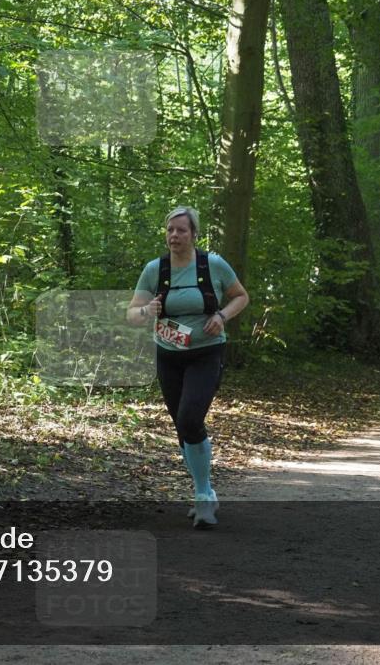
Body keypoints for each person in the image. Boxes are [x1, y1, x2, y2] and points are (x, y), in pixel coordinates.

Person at [127, 207, 249, 529]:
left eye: (181, 230)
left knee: (190, 418)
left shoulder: (213, 265)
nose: (174, 236)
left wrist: (221, 316)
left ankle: (203, 497)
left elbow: (241, 297)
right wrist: (146, 311)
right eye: (170, 230)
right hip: (169, 354)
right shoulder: (155, 269)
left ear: (194, 234)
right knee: (184, 427)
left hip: (206, 351)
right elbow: (131, 314)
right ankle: (205, 489)